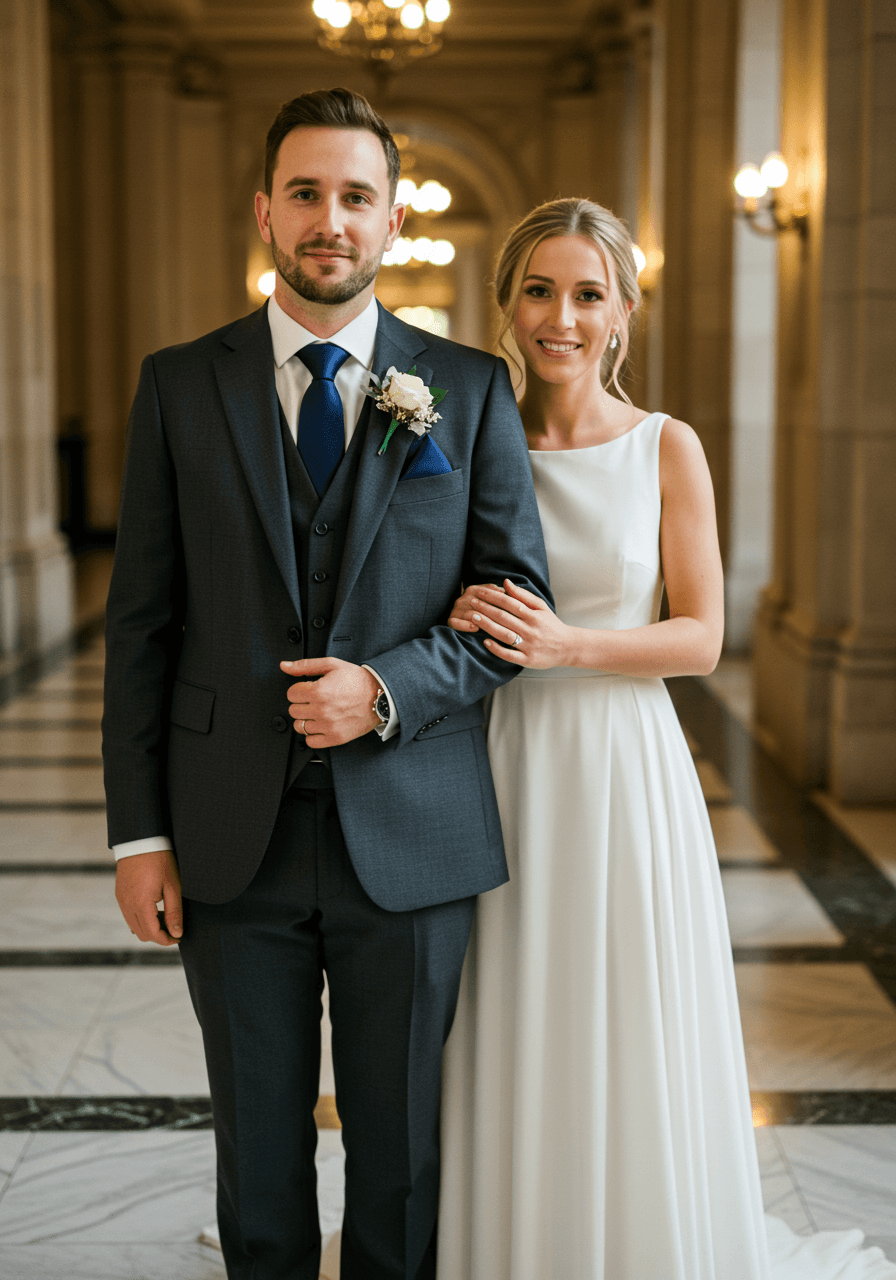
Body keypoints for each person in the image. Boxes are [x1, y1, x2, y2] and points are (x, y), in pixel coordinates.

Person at [102, 87, 551, 1280]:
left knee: (399, 1148)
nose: (330, 220)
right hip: (224, 827)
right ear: (264, 211)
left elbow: (512, 615)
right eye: (305, 192)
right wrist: (136, 833)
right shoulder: (177, 384)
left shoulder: (468, 385)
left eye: (356, 196)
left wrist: (384, 689)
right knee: (255, 1144)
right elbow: (141, 625)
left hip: (412, 830)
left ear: (392, 221)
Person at [435, 198, 896, 1280]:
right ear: (503, 303)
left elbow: (698, 635)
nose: (561, 316)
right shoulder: (455, 434)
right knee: (498, 997)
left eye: (587, 293)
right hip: (489, 754)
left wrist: (562, 646)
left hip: (615, 762)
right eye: (539, 290)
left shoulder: (662, 445)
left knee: (617, 1005)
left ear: (622, 313)